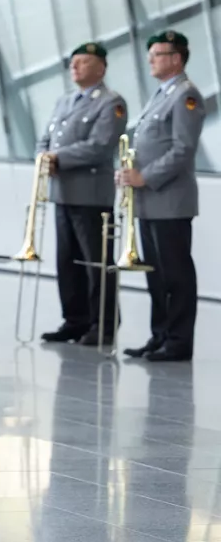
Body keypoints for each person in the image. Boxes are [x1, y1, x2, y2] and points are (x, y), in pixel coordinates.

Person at [120, 31, 204, 363]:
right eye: (151, 53)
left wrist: (145, 176)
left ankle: (179, 342)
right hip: (150, 201)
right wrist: (129, 172)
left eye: (157, 54)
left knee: (176, 274)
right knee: (156, 273)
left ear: (176, 58)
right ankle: (160, 336)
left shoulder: (186, 96)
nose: (151, 59)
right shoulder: (160, 95)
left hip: (170, 200)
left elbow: (183, 149)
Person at [37, 42, 125, 347]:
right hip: (62, 192)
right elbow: (45, 139)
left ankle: (103, 323)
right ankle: (74, 320)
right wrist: (43, 158)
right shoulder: (64, 101)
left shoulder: (111, 102)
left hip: (91, 196)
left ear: (100, 68)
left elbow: (100, 145)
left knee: (96, 262)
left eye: (83, 62)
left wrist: (58, 158)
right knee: (67, 261)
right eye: (73, 62)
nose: (75, 67)